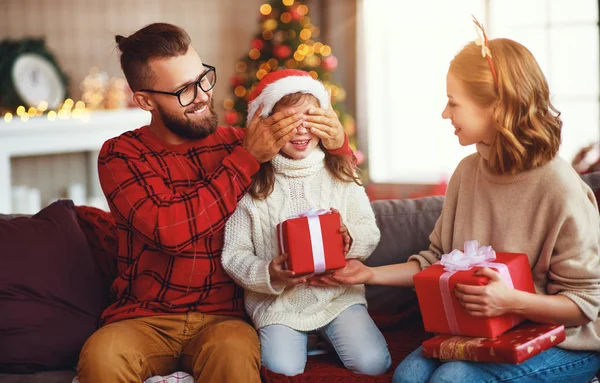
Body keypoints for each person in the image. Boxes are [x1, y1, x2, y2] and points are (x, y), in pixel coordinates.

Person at [325, 18, 600, 383]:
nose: (444, 113)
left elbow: (586, 305)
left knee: (451, 378)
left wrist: (511, 301)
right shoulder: (469, 171)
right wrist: (369, 274)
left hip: (568, 344)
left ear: (497, 107)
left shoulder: (559, 187)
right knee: (407, 376)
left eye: (453, 103)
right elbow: (437, 261)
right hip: (491, 332)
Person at [76, 23, 353, 383]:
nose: (203, 94)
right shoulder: (122, 155)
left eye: (203, 78)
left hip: (226, 319)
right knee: (101, 357)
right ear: (145, 100)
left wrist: (338, 144)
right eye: (184, 91)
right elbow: (171, 231)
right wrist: (246, 160)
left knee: (235, 358)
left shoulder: (242, 143)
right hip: (143, 319)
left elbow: (320, 180)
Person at [220, 69, 392, 377]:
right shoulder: (250, 185)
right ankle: (306, 340)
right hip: (280, 305)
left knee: (374, 363)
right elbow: (235, 254)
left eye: (309, 119)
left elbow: (369, 229)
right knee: (281, 368)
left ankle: (325, 336)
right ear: (265, 124)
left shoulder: (340, 173)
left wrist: (350, 239)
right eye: (288, 122)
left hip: (337, 297)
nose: (301, 131)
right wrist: (268, 273)